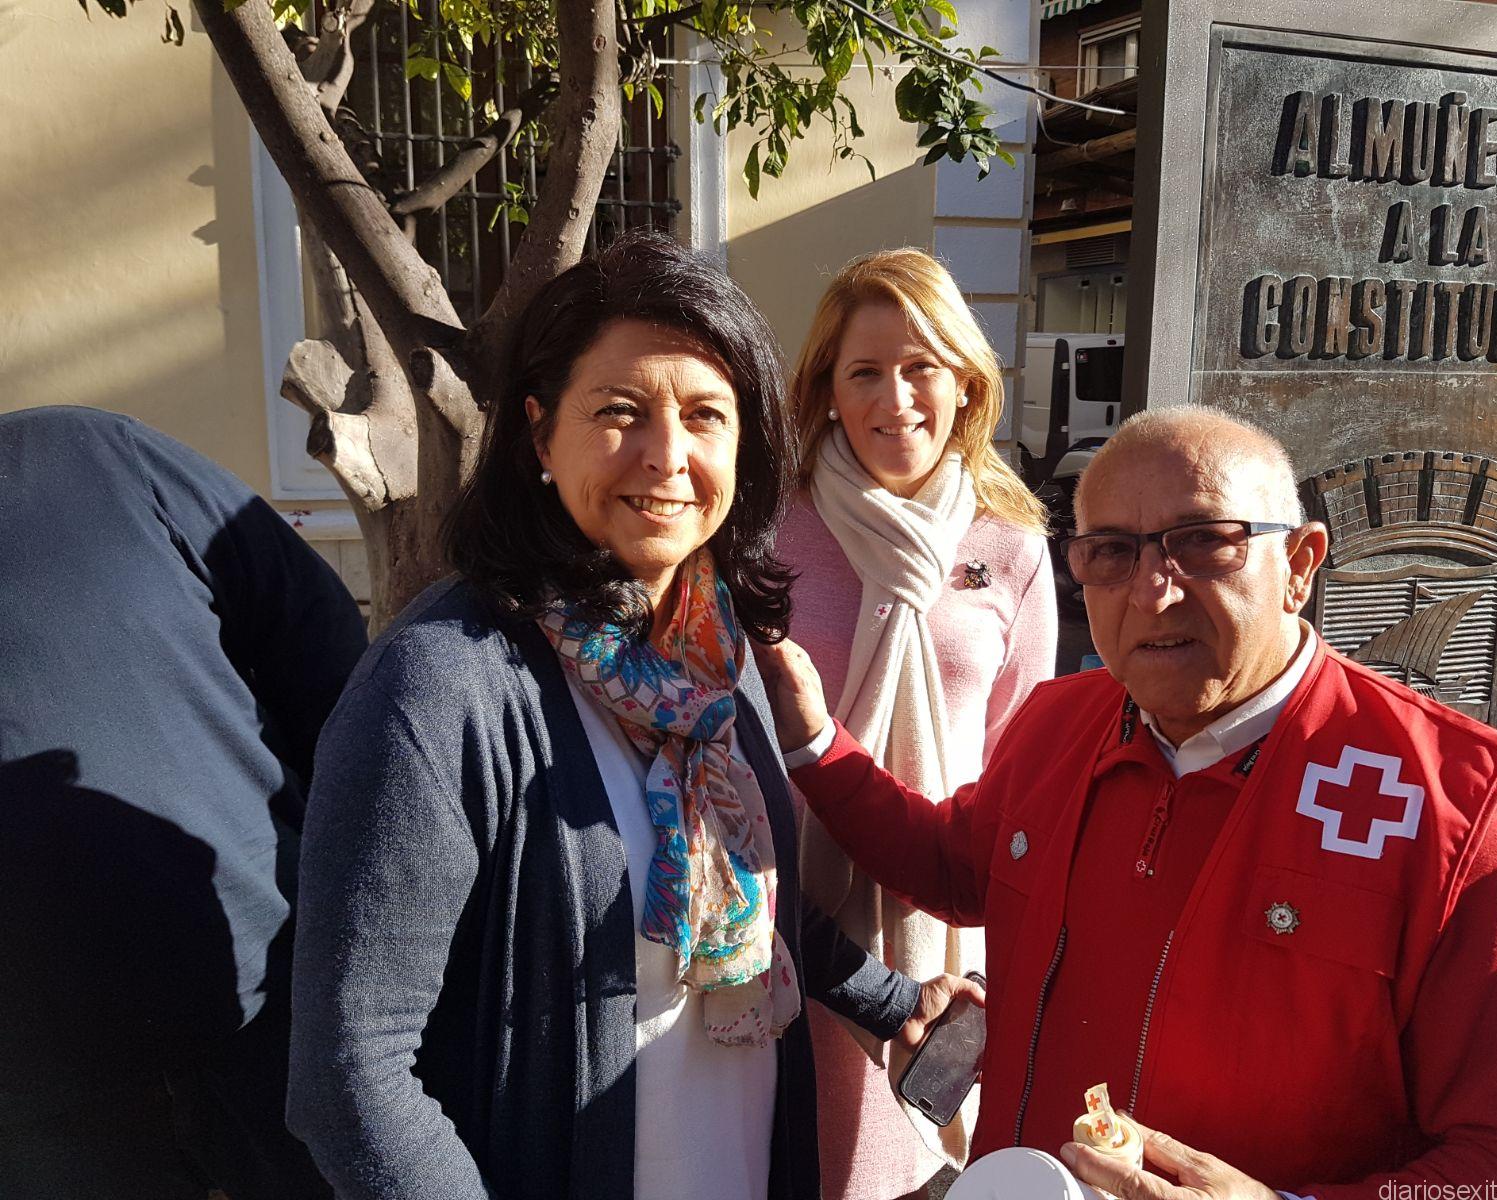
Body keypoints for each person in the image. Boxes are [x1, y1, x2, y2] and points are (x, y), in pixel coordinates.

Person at [286, 233, 979, 1200]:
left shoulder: (714, 656)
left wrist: (896, 1002)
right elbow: (352, 1073)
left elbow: (755, 895)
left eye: (705, 415)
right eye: (620, 412)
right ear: (538, 436)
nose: (667, 456)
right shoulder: (440, 686)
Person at [757, 406, 1497, 1195]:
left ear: (1299, 565)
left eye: (1203, 543)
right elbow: (952, 866)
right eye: (1111, 553)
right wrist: (813, 741)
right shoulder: (1058, 722)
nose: (1152, 591)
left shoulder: (1456, 808)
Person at [0, 406, 367, 1200]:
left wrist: (346, 859)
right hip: (40, 1103)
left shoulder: (91, 454)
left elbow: (318, 639)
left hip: (268, 1004)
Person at [776, 248, 1056, 1199]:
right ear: (827, 389)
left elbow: (1021, 761)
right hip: (788, 922)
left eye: (921, 366)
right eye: (865, 371)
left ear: (966, 382)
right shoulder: (768, 530)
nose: (895, 398)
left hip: (943, 925)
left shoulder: (1012, 545)